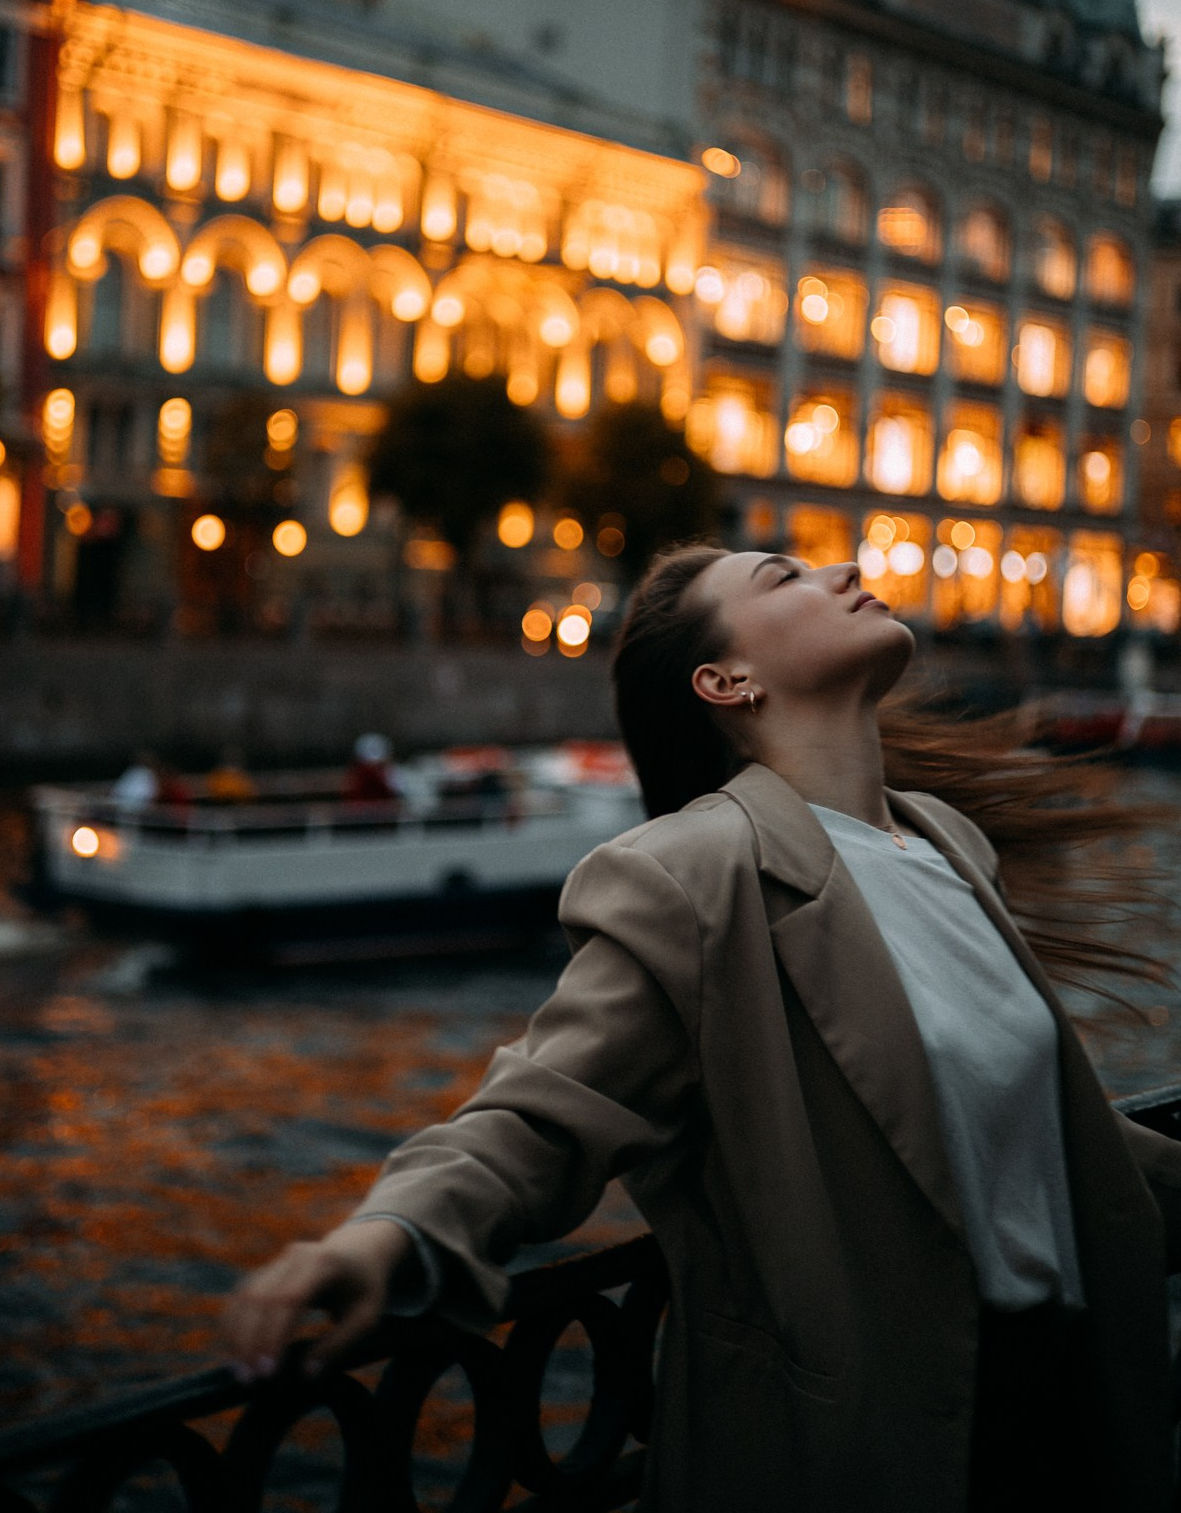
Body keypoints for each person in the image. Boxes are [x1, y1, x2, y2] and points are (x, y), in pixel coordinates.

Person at [223, 546, 1181, 1511]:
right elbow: (541, 1113)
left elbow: (1030, 1129)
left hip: (1069, 1412)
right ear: (727, 682)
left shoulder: (945, 839)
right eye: (783, 578)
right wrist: (388, 1234)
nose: (840, 571)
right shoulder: (691, 872)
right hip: (868, 1445)